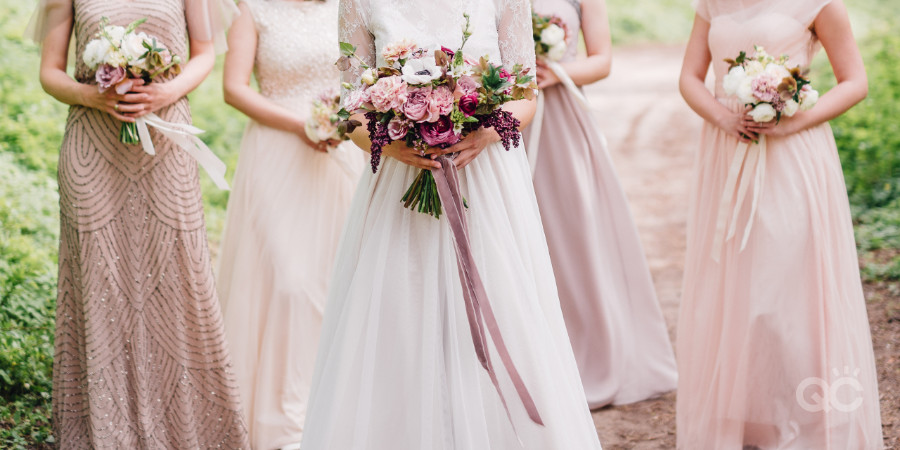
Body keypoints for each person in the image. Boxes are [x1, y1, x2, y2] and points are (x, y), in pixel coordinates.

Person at [299, 0, 603, 448]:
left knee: (499, 300)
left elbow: (525, 95)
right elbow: (351, 112)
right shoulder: (359, 3)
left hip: (487, 180)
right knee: (402, 306)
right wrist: (394, 144)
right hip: (401, 184)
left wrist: (486, 131)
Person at [29, 0, 249, 446]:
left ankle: (190, 431)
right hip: (93, 149)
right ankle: (103, 431)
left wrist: (167, 92)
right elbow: (50, 71)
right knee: (98, 283)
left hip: (167, 143)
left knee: (177, 276)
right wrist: (91, 94)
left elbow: (205, 52)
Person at [677, 0, 883, 447]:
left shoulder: (821, 3)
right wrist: (724, 117)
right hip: (727, 149)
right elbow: (690, 78)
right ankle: (751, 423)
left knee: (782, 292)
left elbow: (856, 82)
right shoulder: (711, 3)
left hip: (791, 155)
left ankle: (804, 424)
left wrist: (794, 124)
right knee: (735, 289)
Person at [217, 0, 361, 448]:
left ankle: (338, 409)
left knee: (339, 281)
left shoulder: (347, 8)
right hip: (277, 153)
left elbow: (365, 80)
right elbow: (234, 89)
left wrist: (345, 123)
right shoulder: (251, 9)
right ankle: (283, 423)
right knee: (289, 282)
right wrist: (301, 125)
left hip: (344, 154)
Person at [527, 0, 678, 409]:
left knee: (576, 235)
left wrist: (552, 72)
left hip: (563, 119)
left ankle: (594, 354)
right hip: (508, 119)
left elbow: (602, 61)